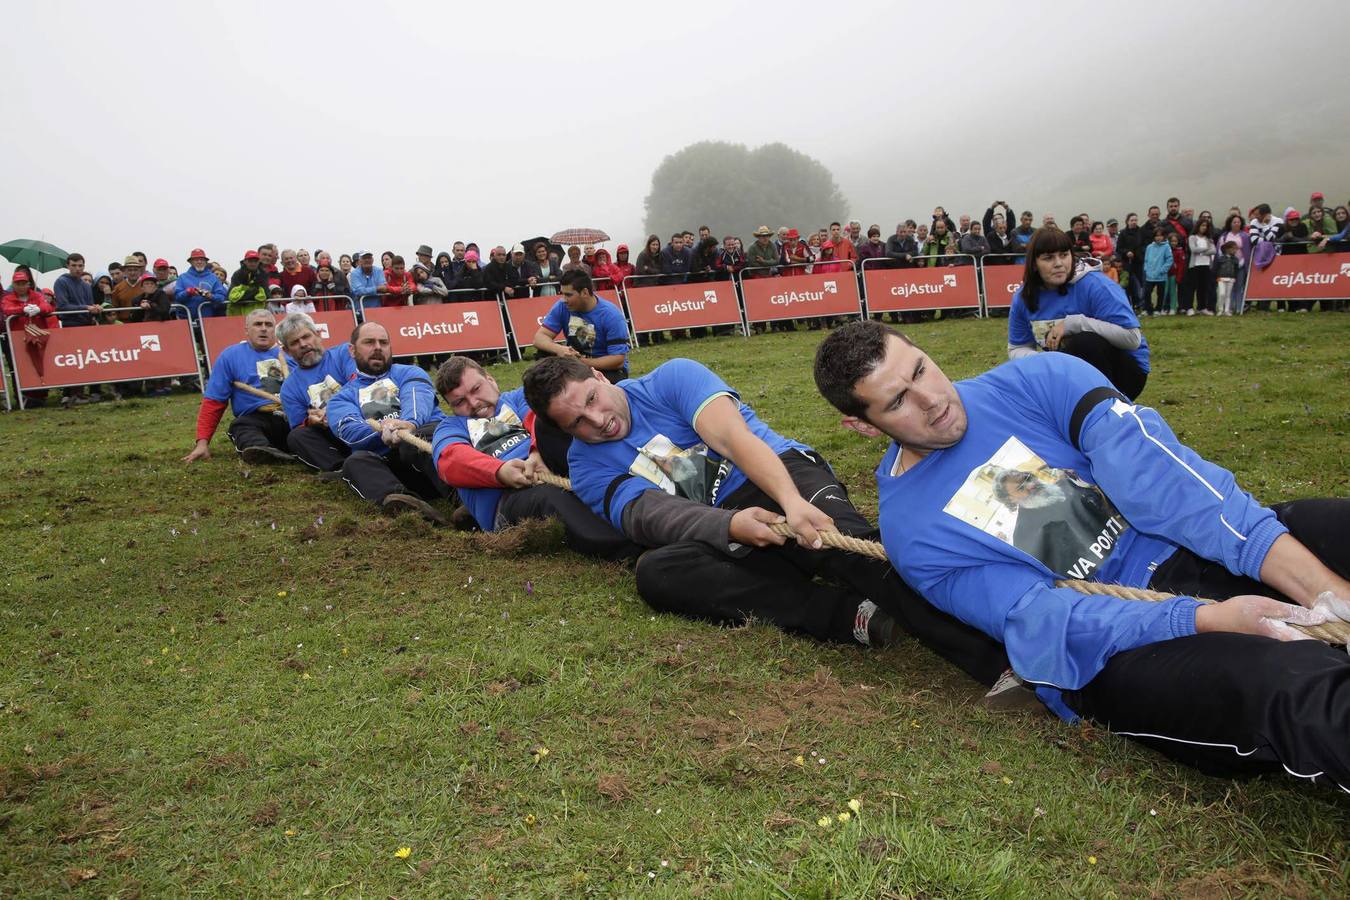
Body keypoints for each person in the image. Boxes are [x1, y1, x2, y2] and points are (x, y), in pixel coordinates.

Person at [813, 320, 1350, 789]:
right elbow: (1048, 619)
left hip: (1184, 549)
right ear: (863, 425)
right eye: (897, 401)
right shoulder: (912, 532)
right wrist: (1208, 618)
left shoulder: (1042, 379)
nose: (932, 400)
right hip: (1115, 650)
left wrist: (1321, 586)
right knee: (1293, 685)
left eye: (921, 370)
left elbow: (1169, 486)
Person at [520, 355, 1009, 680]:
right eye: (576, 424)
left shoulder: (672, 378)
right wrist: (728, 526)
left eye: (591, 400)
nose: (596, 421)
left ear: (601, 377)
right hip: (730, 526)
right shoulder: (586, 465)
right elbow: (649, 516)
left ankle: (1001, 657)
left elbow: (733, 439)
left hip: (781, 475)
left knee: (846, 550)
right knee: (657, 573)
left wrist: (792, 504)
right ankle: (847, 616)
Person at [430, 356, 639, 557]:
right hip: (509, 498)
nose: (474, 403)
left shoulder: (520, 398)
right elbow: (451, 459)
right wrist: (500, 472)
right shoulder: (451, 427)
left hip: (555, 467)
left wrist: (537, 453)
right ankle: (632, 548)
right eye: (460, 402)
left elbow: (538, 418)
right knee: (548, 497)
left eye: (476, 389)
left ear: (490, 380)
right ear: (451, 407)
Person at [326, 321, 453, 523]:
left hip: (428, 450)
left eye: (383, 342)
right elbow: (349, 430)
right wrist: (381, 433)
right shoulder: (341, 398)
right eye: (369, 342)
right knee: (355, 462)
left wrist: (409, 424)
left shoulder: (410, 373)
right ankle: (407, 506)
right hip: (393, 466)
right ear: (352, 350)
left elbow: (417, 397)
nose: (377, 347)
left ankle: (462, 496)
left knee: (420, 438)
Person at [1007, 227, 1148, 400]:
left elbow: (1133, 339)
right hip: (1063, 370)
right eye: (1048, 258)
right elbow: (1017, 348)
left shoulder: (1097, 286)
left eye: (1064, 255)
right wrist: (1044, 361)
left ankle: (1108, 408)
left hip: (1125, 374)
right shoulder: (1024, 297)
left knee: (1084, 342)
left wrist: (1074, 324)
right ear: (1034, 264)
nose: (1058, 263)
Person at [183, 310, 296, 464]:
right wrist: (202, 443)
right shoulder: (230, 356)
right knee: (241, 426)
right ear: (247, 330)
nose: (263, 328)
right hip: (256, 419)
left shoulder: (292, 353)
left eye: (268, 325)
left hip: (293, 415)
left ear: (275, 330)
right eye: (257, 324)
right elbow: (214, 402)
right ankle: (263, 452)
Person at [277, 312, 358, 478]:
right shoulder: (289, 388)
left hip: (364, 420)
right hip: (333, 434)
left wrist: (333, 410)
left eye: (306, 336)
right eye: (295, 342)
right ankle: (340, 469)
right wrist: (311, 422)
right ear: (287, 351)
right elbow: (300, 426)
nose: (303, 344)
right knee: (297, 437)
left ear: (318, 334)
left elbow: (359, 382)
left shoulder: (344, 353)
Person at [532, 269, 630, 382]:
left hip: (607, 370)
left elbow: (618, 360)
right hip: (574, 364)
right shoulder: (562, 306)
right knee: (543, 354)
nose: (563, 299)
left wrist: (582, 362)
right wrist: (559, 349)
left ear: (584, 293)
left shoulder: (611, 315)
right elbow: (539, 338)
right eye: (562, 294)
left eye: (568, 295)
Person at [174, 249, 227, 319]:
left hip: (209, 320)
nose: (199, 262)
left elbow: (222, 297)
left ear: (206, 262)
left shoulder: (214, 278)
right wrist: (188, 292)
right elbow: (177, 297)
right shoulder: (182, 277)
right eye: (196, 260)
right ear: (191, 262)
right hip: (186, 320)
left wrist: (211, 296)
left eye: (202, 259)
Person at [1183, 219, 1217, 315]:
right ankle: (1189, 307)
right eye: (1202, 225)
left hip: (1206, 265)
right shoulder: (1192, 237)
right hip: (1195, 265)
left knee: (1203, 287)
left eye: (1206, 226)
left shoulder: (1209, 239)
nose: (1204, 228)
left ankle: (1202, 307)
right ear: (1198, 226)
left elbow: (1214, 251)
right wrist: (1206, 249)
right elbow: (1193, 249)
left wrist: (1201, 251)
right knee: (1192, 287)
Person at [228, 250, 270, 316]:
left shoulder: (263, 274)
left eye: (255, 261)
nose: (253, 263)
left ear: (259, 262)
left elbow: (266, 294)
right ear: (245, 261)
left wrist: (245, 293)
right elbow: (232, 295)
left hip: (257, 313)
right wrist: (255, 291)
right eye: (250, 261)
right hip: (238, 312)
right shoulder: (237, 274)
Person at [1213, 241, 1241, 317]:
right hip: (1221, 278)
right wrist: (1217, 277)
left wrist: (1234, 277)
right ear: (1227, 249)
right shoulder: (1220, 259)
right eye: (1233, 249)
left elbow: (1236, 269)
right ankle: (1220, 309)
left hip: (1231, 279)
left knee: (1228, 295)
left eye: (1236, 249)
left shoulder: (1235, 259)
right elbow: (1216, 268)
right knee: (1222, 294)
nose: (1235, 251)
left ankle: (1227, 310)